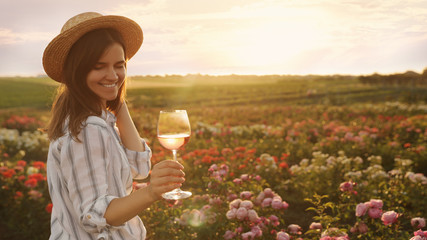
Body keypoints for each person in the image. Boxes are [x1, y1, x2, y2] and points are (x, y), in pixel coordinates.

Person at [43, 12, 186, 239]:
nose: (113, 74)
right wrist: (152, 192)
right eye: (99, 66)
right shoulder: (88, 129)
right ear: (77, 71)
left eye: (119, 65)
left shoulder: (98, 121)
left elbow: (138, 168)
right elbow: (94, 215)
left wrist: (117, 102)